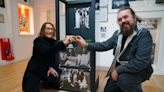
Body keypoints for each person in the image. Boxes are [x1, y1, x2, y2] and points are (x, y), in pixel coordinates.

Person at [75, 6, 153, 92]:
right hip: (121, 68)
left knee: (124, 80)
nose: (123, 21)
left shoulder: (143, 34)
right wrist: (86, 45)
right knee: (108, 90)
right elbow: (104, 45)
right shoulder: (117, 34)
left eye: (126, 17)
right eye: (120, 19)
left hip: (140, 70)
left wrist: (117, 70)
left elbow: (141, 61)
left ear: (134, 17)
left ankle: (136, 88)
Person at [22, 22, 74, 92]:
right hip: (35, 69)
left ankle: (46, 82)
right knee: (29, 89)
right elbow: (47, 51)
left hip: (46, 68)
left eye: (52, 29)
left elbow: (55, 52)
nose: (50, 31)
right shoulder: (38, 41)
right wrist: (63, 43)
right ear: (43, 30)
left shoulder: (54, 42)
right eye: (48, 29)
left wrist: (51, 67)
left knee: (57, 81)